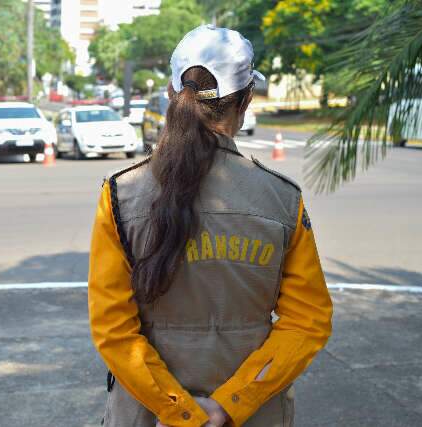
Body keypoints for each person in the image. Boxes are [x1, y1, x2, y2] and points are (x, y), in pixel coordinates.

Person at [88, 25, 333, 427]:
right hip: (253, 416)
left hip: (147, 415)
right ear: (247, 99)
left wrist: (179, 410)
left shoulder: (120, 193)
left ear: (171, 94)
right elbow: (308, 321)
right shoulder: (282, 197)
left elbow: (113, 329)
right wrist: (232, 402)